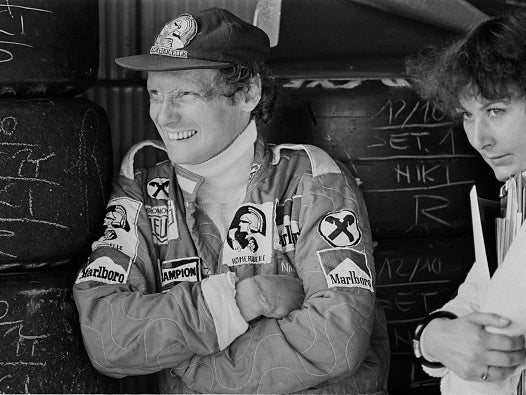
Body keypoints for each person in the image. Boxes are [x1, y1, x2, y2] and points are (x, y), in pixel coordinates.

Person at [72, 7, 389, 394]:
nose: (164, 116)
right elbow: (107, 339)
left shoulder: (312, 179)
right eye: (155, 94)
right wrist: (239, 301)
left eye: (185, 94)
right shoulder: (143, 191)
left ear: (247, 93)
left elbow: (336, 340)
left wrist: (192, 369)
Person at [407, 9, 526, 394]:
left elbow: (493, 342)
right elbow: (474, 298)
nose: (480, 139)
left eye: (495, 110)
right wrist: (434, 337)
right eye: (467, 115)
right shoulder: (517, 196)